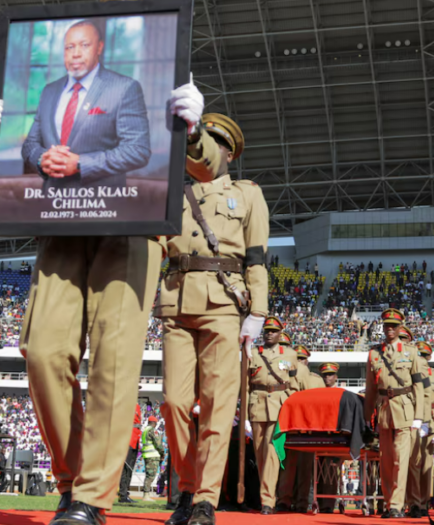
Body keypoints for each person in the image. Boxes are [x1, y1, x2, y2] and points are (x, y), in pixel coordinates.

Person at [0, 68, 203, 525]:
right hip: (62, 223)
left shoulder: (151, 71)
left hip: (132, 224)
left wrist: (191, 132)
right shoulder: (54, 89)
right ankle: (73, 477)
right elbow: (31, 152)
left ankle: (89, 497)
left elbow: (206, 166)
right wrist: (2, 135)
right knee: (41, 352)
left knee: (113, 363)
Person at [157, 111, 269, 525]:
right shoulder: (173, 192)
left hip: (223, 303)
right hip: (175, 300)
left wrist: (258, 311)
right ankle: (186, 488)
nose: (207, 152)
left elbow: (256, 257)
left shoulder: (248, 194)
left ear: (228, 154)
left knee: (218, 406)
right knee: (173, 404)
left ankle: (204, 499)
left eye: (216, 145)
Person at [18, 19, 149, 192]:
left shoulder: (124, 88)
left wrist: (80, 164)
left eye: (84, 45)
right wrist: (41, 159)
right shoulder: (49, 91)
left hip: (102, 206)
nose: (76, 53)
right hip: (52, 205)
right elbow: (30, 145)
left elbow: (137, 150)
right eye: (69, 47)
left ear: (99, 48)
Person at [363, 308, 425, 518]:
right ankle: (390, 503)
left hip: (405, 408)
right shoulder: (374, 354)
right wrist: (366, 418)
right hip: (383, 410)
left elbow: (419, 386)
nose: (390, 329)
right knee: (386, 460)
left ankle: (397, 506)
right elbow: (371, 389)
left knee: (400, 459)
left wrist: (419, 417)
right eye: (387, 325)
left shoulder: (411, 352)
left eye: (394, 326)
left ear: (400, 328)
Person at [247, 317, 301, 516]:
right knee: (260, 454)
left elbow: (294, 384)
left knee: (271, 453)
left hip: (279, 405)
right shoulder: (253, 354)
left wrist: (292, 407)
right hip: (257, 405)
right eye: (267, 330)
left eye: (273, 331)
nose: (269, 333)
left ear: (280, 333)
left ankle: (268, 500)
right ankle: (266, 497)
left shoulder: (290, 354)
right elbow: (245, 386)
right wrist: (245, 414)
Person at [276, 345, 323, 513]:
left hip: (307, 428)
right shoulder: (286, 374)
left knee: (305, 468)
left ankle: (302, 502)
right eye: (298, 359)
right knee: (286, 466)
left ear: (308, 361)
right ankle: (284, 500)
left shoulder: (316, 380)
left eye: (303, 359)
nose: (301, 362)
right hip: (289, 424)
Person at [405, 341, 434, 518]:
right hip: (410, 421)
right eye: (418, 355)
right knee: (414, 465)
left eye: (423, 356)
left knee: (425, 466)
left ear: (428, 357)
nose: (421, 359)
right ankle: (415, 503)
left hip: (428, 424)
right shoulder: (408, 373)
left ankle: (421, 503)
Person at [316, 362, 342, 514]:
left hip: (334, 438)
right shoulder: (317, 393)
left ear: (336, 377)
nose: (327, 378)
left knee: (330, 473)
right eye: (325, 375)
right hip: (317, 435)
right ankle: (315, 502)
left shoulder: (340, 394)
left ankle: (327, 505)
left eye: (330, 375)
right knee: (314, 472)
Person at [118, 403, 142, 504]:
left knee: (130, 468)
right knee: (125, 468)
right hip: (128, 438)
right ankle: (122, 495)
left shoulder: (137, 405)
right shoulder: (126, 403)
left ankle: (125, 493)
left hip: (135, 438)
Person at [141, 416, 164, 502]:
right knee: (150, 476)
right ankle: (146, 495)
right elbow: (157, 443)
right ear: (154, 423)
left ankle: (146, 494)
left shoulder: (145, 430)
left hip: (147, 455)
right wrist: (162, 453)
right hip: (152, 455)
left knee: (148, 475)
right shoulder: (152, 430)